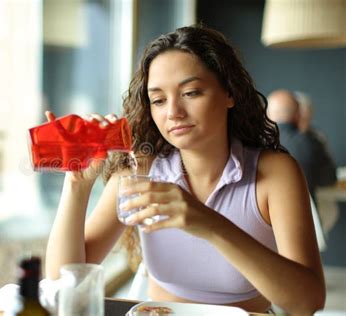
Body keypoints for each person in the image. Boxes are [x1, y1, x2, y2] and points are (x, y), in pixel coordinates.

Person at [44, 25, 325, 315]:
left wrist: (208, 223)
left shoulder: (274, 173)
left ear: (229, 93)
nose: (173, 112)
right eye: (158, 100)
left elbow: (307, 302)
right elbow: (63, 284)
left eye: (190, 92)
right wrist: (77, 185)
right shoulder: (138, 172)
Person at [267, 89, 336, 202]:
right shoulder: (313, 142)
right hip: (307, 212)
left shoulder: (255, 143)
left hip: (264, 216)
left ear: (268, 114)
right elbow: (330, 178)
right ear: (298, 115)